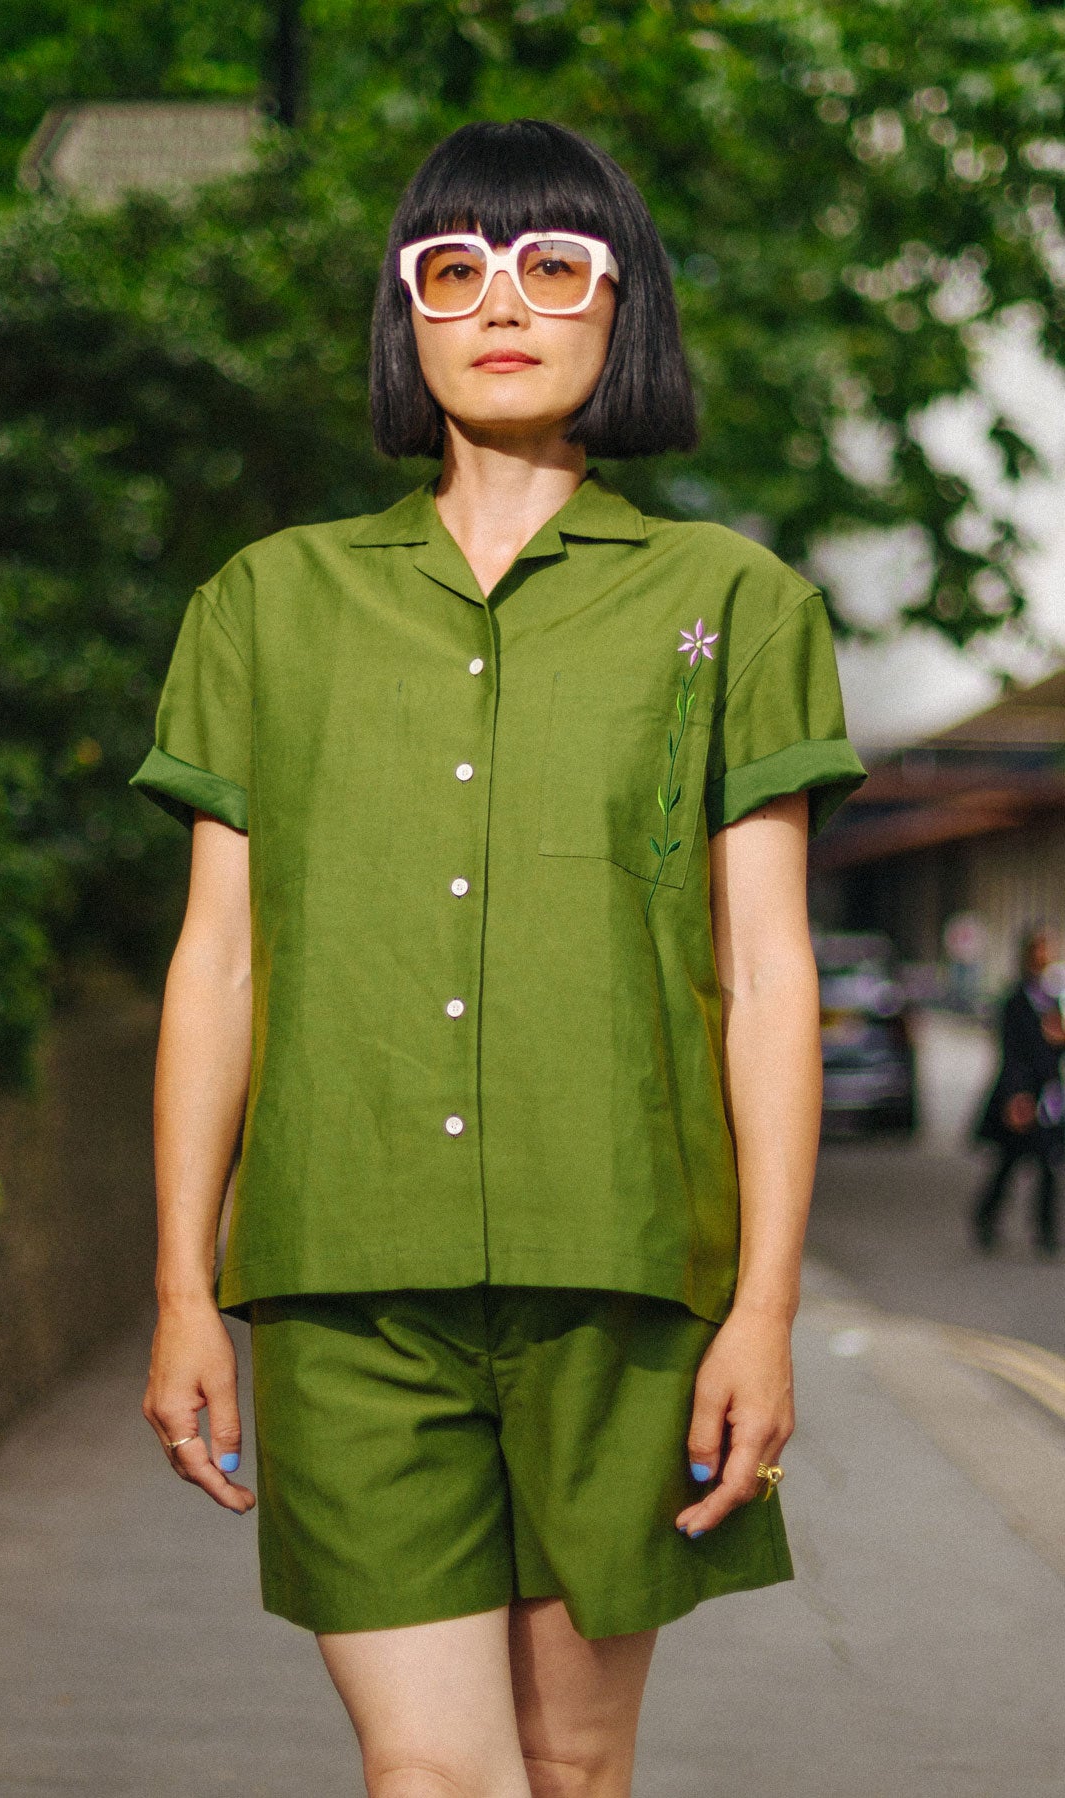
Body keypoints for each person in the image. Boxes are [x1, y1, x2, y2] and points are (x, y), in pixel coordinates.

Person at [130, 119, 867, 1797]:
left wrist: (762, 1303)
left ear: (624, 308)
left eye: (553, 263)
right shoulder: (268, 604)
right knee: (433, 1774)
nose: (500, 303)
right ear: (409, 320)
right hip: (345, 1283)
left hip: (621, 1281)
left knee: (573, 1764)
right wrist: (181, 1283)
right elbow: (218, 961)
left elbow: (762, 976)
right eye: (448, 270)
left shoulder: (728, 607)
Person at [972, 925, 1064, 1258]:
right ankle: (985, 1217)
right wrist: (1016, 1096)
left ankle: (1046, 1233)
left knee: (1047, 1166)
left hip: (1046, 1099)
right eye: (1039, 949)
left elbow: (1052, 1053)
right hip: (1021, 1097)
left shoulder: (1052, 1002)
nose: (1044, 956)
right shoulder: (1015, 1001)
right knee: (1008, 1164)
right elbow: (1010, 1053)